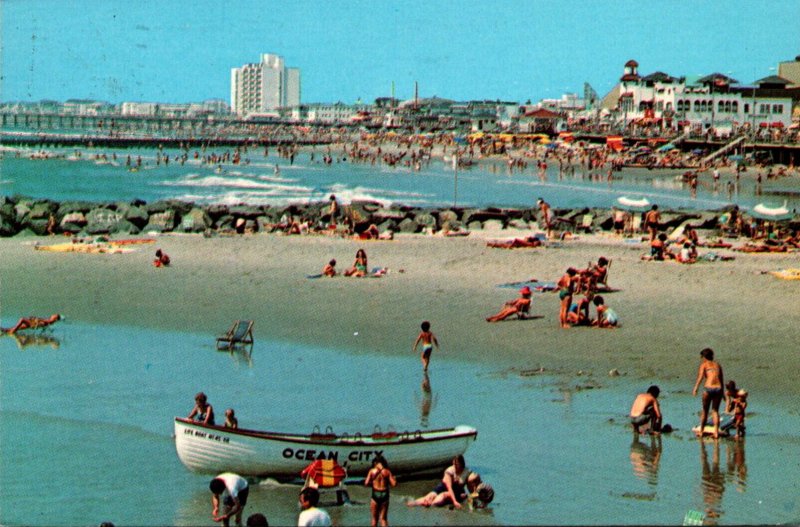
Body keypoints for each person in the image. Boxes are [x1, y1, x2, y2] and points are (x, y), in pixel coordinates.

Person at [692, 348, 725, 439]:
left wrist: (696, 388)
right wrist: (723, 394)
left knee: (705, 411)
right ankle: (716, 432)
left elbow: (700, 377)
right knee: (715, 411)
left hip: (708, 388)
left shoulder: (704, 365)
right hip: (718, 388)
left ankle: (701, 431)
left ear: (704, 357)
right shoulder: (718, 365)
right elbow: (721, 379)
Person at [364, 454, 397, 527]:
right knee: (383, 519)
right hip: (385, 494)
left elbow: (366, 483)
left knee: (374, 519)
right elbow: (394, 484)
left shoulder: (372, 471)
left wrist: (373, 482)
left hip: (375, 493)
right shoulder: (387, 471)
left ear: (375, 463)